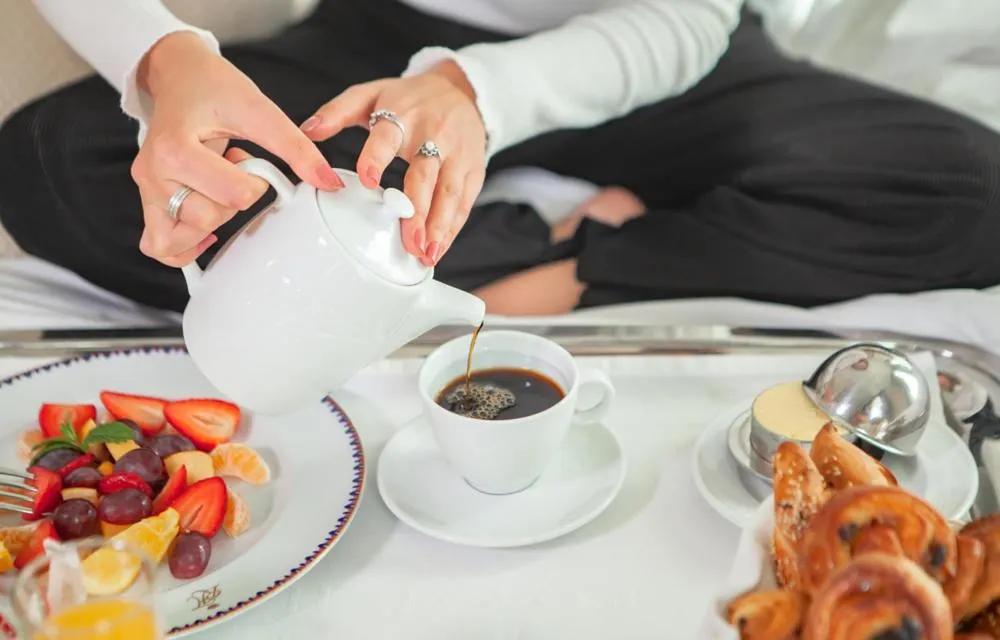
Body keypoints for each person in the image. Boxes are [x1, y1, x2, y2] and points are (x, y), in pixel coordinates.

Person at [1, 0, 998, 317]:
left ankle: (571, 265)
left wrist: (479, 96)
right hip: (383, 37)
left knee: (974, 192)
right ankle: (555, 245)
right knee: (50, 160)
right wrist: (162, 61)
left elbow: (690, 15)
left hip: (663, 47)